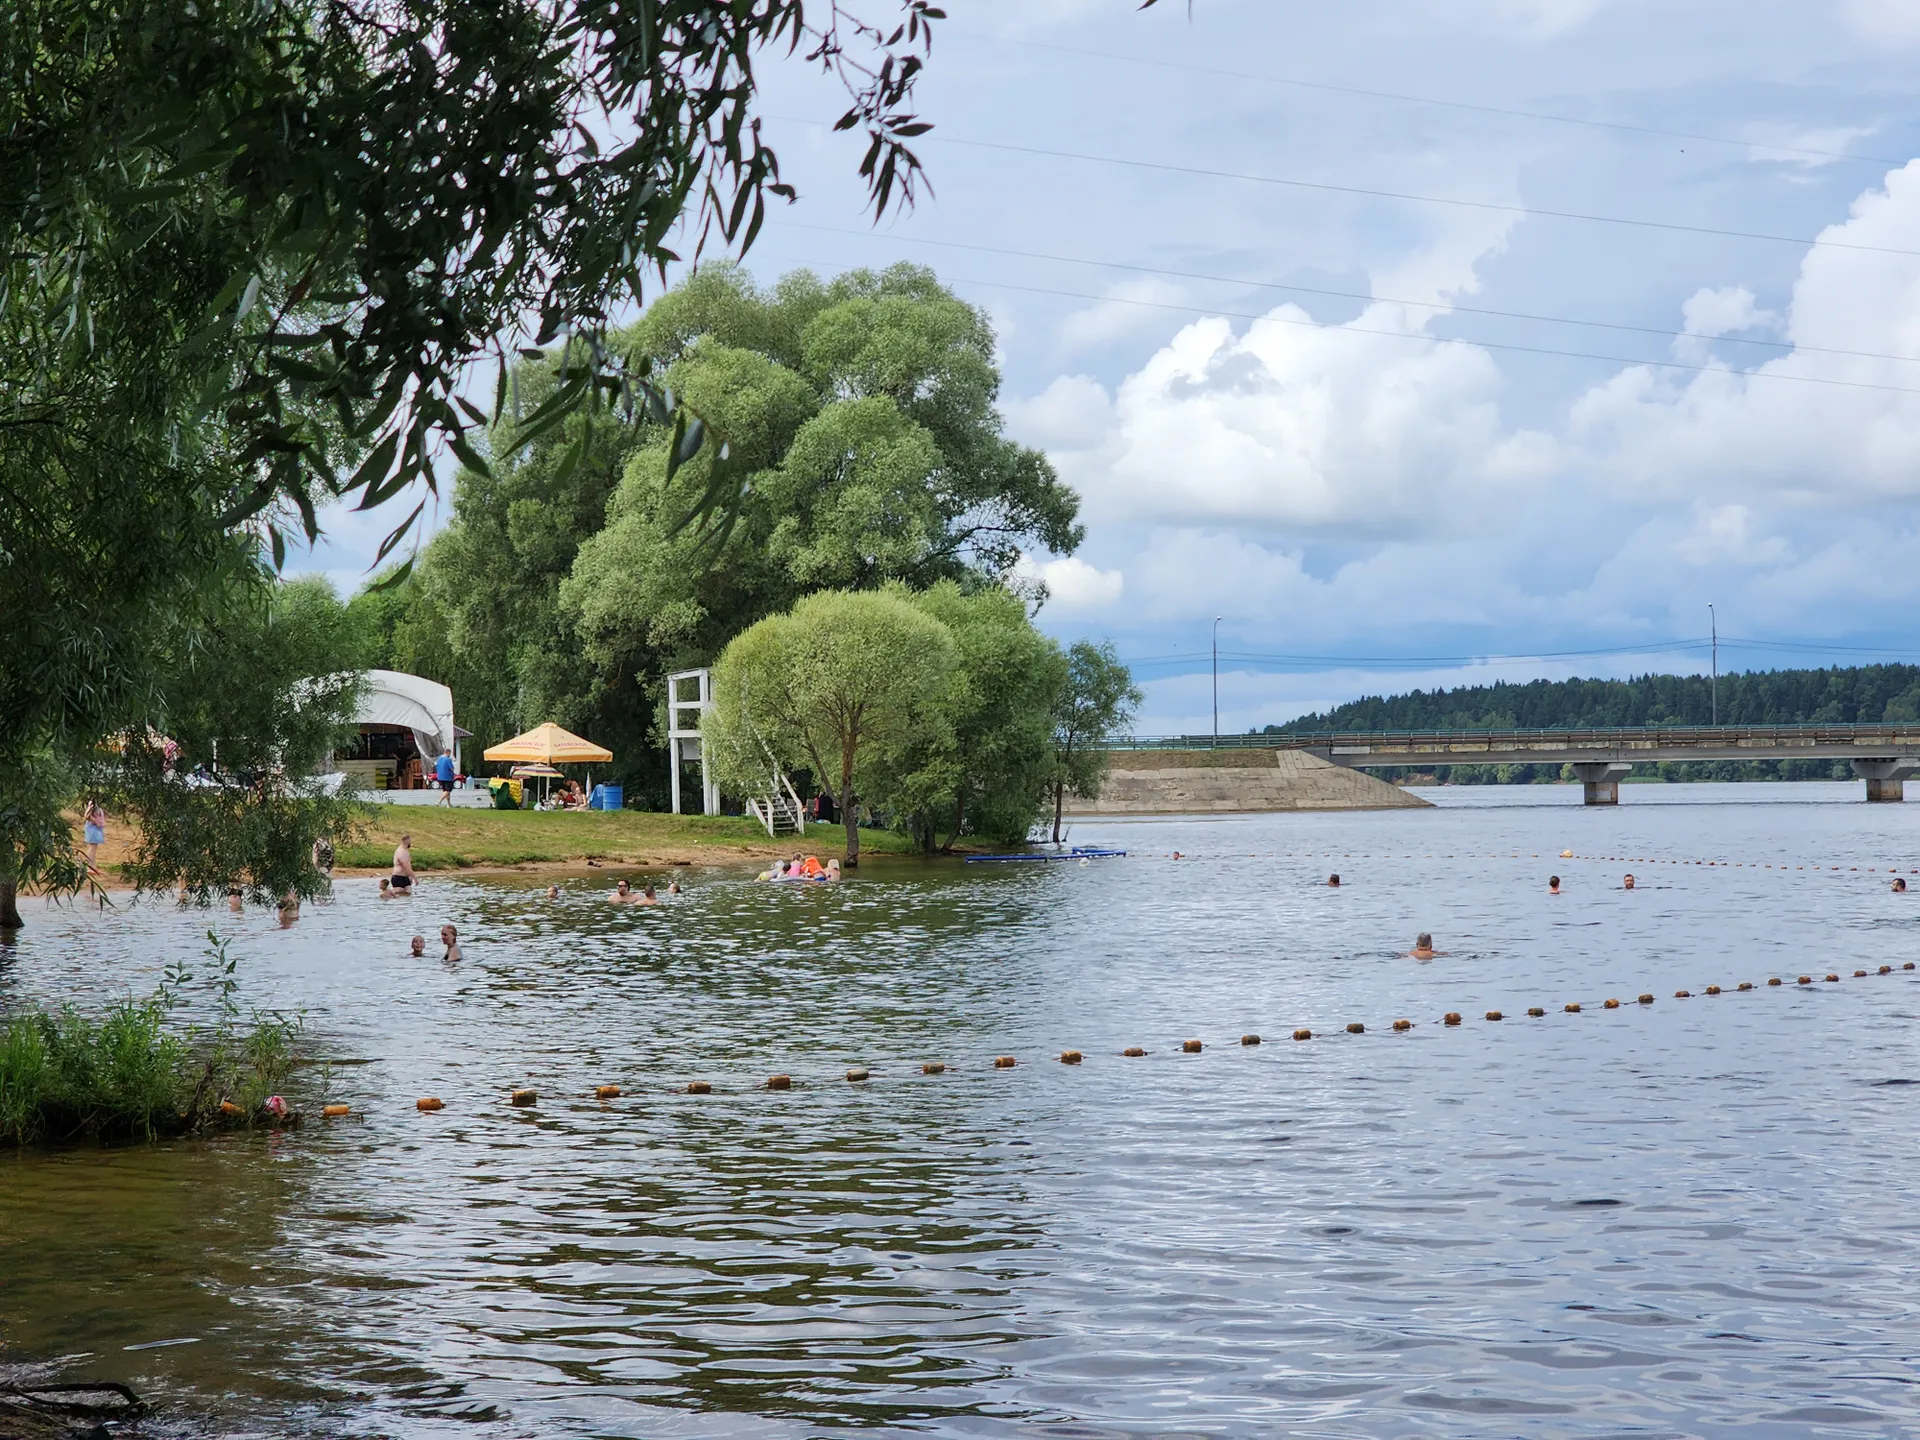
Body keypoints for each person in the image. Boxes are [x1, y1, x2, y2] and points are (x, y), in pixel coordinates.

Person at [82, 799, 107, 873]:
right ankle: (89, 867)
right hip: (93, 828)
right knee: (92, 848)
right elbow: (86, 816)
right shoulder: (92, 807)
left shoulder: (96, 807)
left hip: (96, 828)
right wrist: (95, 821)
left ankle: (93, 866)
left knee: (93, 848)